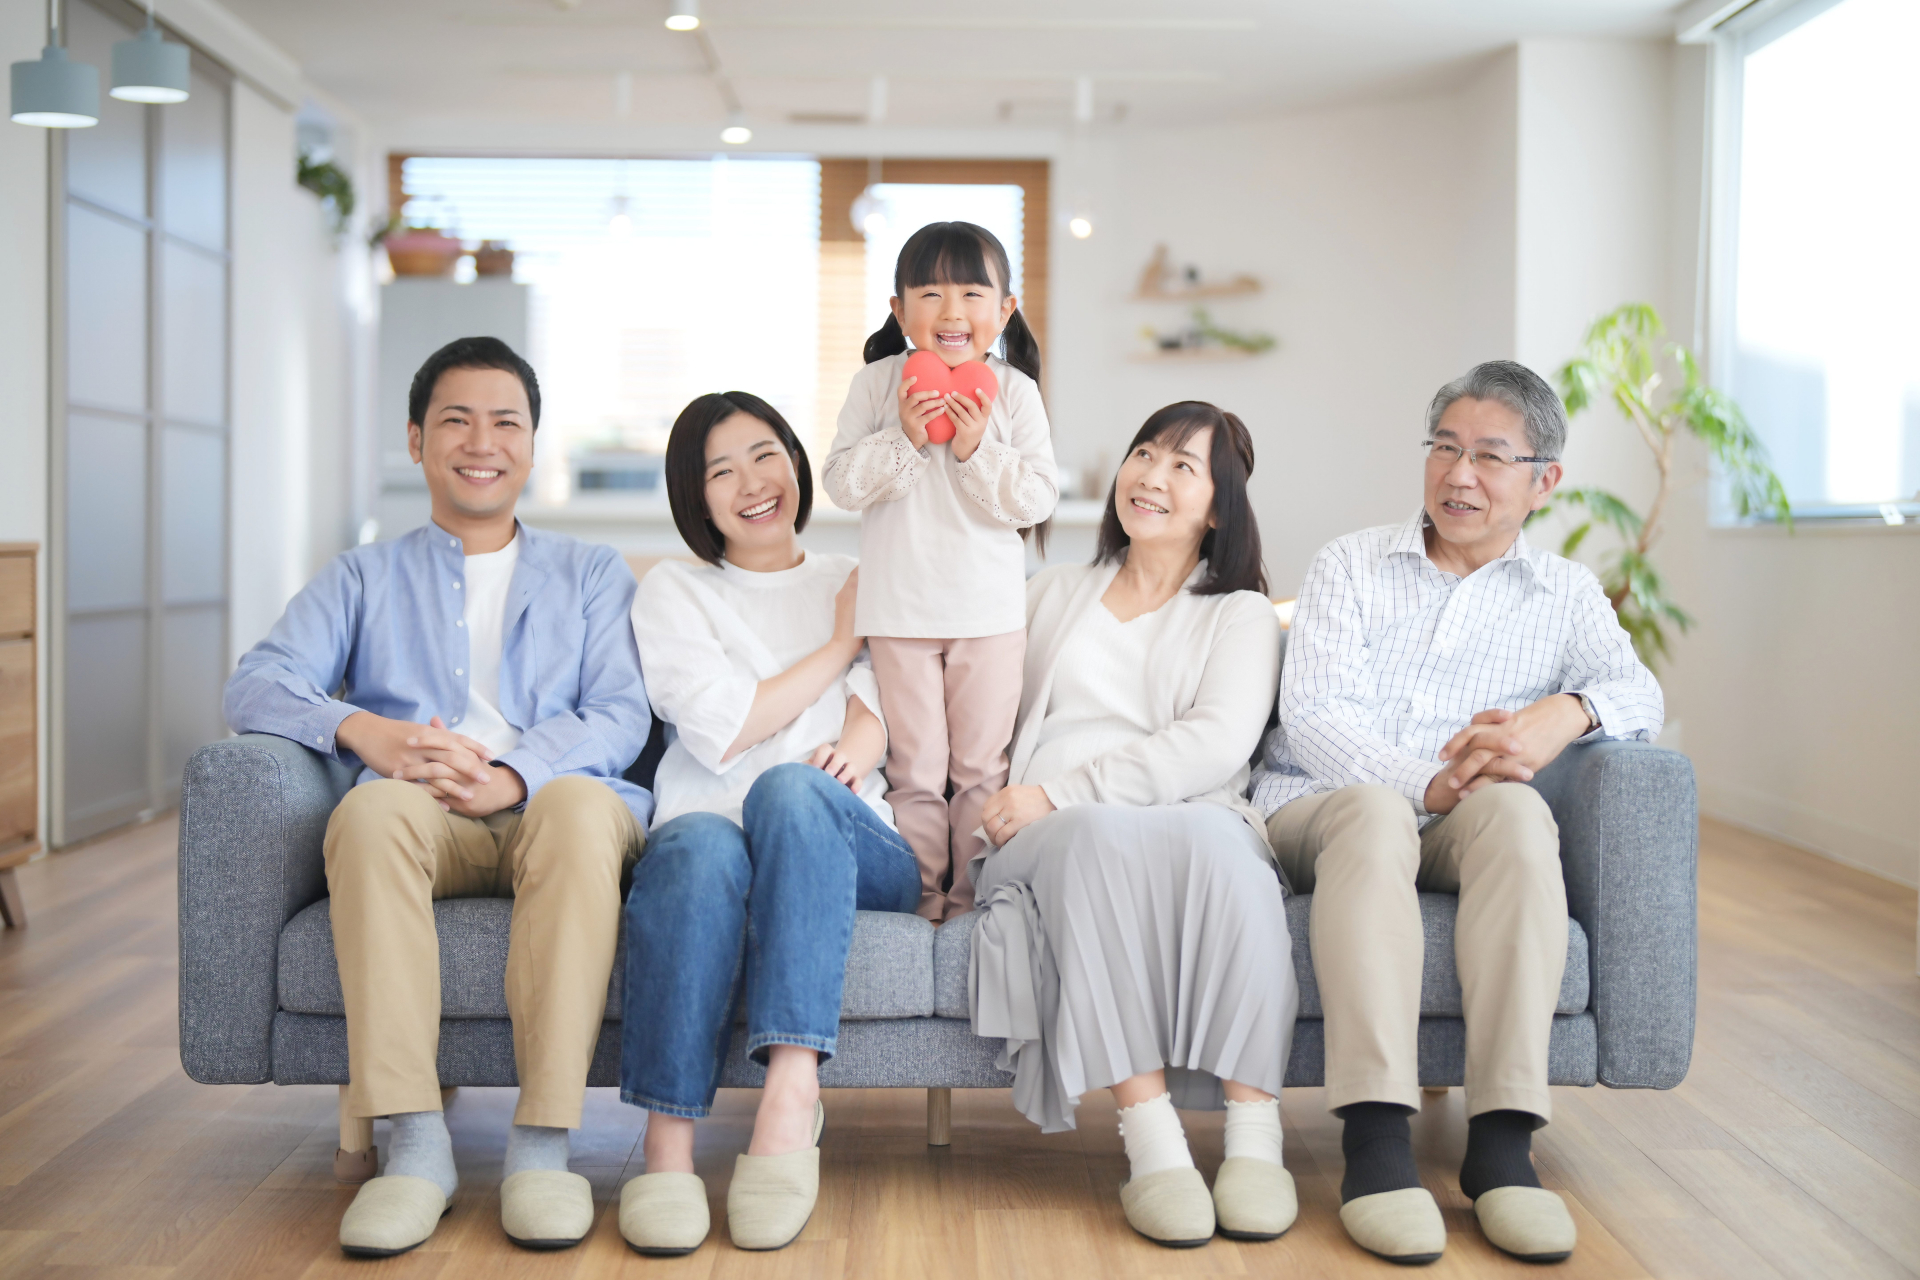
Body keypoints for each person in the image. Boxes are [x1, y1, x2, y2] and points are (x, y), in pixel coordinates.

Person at [224, 337, 652, 1257]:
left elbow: (620, 712)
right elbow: (255, 683)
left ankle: (543, 1148)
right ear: (417, 440)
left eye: (507, 421)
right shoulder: (361, 576)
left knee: (580, 809)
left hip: (556, 803)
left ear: (532, 445)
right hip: (420, 813)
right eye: (456, 419)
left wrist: (515, 772)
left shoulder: (591, 573)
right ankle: (414, 1144)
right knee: (369, 811)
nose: (481, 440)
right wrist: (363, 732)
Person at [1252, 360, 1663, 1266]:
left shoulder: (1565, 594)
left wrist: (1572, 711)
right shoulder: (1351, 563)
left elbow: (1640, 689)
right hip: (1323, 811)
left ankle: (1504, 1144)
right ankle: (1376, 1141)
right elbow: (1314, 717)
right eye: (1444, 448)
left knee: (1520, 819)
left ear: (1543, 480)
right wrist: (1422, 785)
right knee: (1373, 812)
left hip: (1462, 824)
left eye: (1489, 456)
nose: (1459, 475)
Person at [969, 402, 1299, 1249]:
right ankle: (1152, 1143)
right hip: (1049, 833)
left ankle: (1256, 1141)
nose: (1152, 475)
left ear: (1218, 507)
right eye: (1144, 453)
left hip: (1183, 810)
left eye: (1183, 466)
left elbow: (1216, 742)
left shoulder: (1239, 614)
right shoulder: (1051, 593)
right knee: (1097, 838)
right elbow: (954, 668)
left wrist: (1068, 789)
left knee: (1230, 851)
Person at [616, 392, 922, 1255]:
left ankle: (791, 1099)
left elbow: (893, 703)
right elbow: (723, 727)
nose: (753, 483)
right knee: (696, 847)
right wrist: (835, 646)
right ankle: (666, 1149)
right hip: (710, 829)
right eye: (722, 472)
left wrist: (860, 742)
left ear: (795, 459)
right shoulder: (674, 593)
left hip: (847, 836)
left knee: (790, 791)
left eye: (766, 454)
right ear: (696, 497)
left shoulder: (855, 573)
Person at [823, 221, 1059, 922]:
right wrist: (903, 434)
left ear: (1005, 310)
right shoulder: (876, 384)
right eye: (929, 293)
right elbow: (839, 484)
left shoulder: (1014, 393)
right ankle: (924, 901)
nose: (951, 311)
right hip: (898, 615)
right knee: (917, 773)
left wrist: (977, 444)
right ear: (899, 312)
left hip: (988, 618)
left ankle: (972, 902)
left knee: (982, 770)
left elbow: (1036, 497)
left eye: (971, 292)